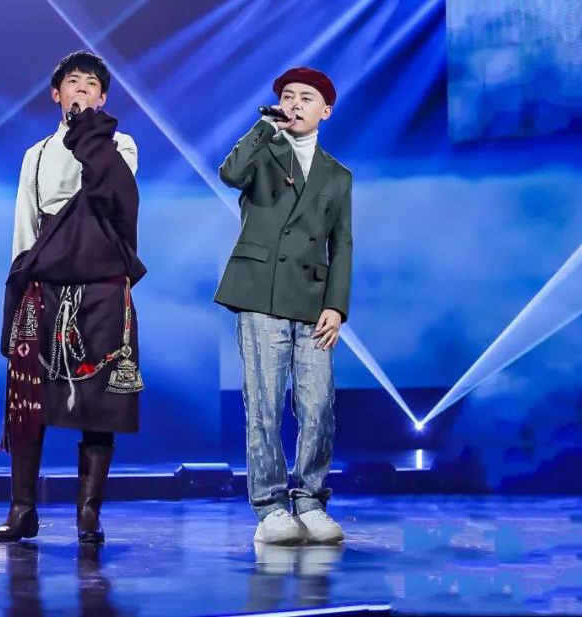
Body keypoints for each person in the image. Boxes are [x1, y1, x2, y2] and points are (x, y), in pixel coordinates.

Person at [0, 51, 144, 544]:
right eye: (72, 83)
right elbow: (24, 228)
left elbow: (113, 195)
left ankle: (88, 514)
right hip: (46, 285)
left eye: (91, 84)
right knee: (30, 400)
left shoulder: (119, 145)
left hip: (101, 287)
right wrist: (16, 291)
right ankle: (22, 509)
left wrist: (87, 129)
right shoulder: (35, 154)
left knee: (100, 404)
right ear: (55, 94)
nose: (81, 89)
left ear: (103, 97)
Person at [216, 66, 352, 545]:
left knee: (318, 405)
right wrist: (262, 128)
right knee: (264, 404)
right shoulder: (263, 150)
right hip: (261, 292)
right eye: (287, 96)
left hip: (313, 300)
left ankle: (311, 500)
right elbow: (230, 174)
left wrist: (337, 306)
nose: (294, 103)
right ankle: (270, 506)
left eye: (305, 98)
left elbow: (342, 243)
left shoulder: (338, 175)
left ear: (325, 111)